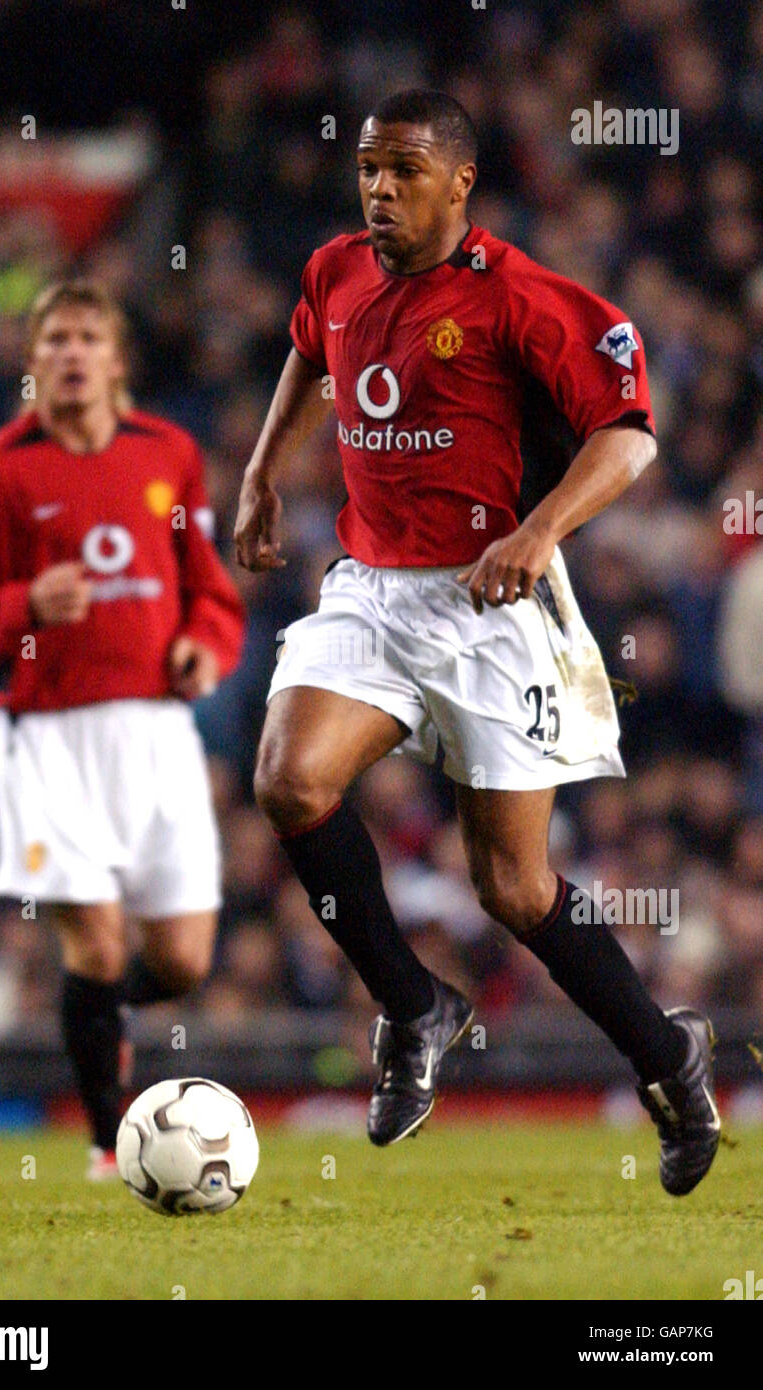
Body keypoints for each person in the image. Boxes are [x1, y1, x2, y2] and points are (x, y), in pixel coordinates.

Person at [234, 90, 720, 1195]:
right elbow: (309, 354)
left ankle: (665, 1058)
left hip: (489, 607)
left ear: (459, 184)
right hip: (367, 588)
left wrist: (538, 527)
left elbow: (628, 439)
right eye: (366, 169)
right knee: (287, 781)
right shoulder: (335, 271)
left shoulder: (525, 300)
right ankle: (415, 1005)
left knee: (510, 885)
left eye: (402, 171)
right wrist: (264, 471)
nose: (377, 190)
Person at [0, 280, 245, 1177]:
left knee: (178, 961)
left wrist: (205, 649)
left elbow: (209, 587)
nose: (69, 352)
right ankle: (108, 1141)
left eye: (87, 337)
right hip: (46, 736)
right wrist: (22, 603)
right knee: (93, 940)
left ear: (115, 358)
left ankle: (104, 1017)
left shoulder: (170, 455)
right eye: (53, 337)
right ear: (33, 360)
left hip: (158, 731)